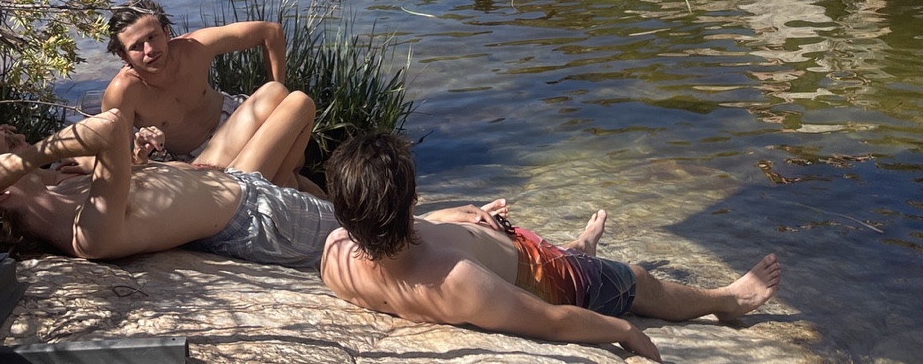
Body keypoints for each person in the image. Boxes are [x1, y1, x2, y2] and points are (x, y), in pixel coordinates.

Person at [320, 131, 781, 362]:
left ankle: (580, 246)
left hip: (517, 252)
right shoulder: (454, 280)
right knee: (637, 278)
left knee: (539, 242)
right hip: (546, 278)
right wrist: (624, 332)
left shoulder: (336, 254)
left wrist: (455, 217)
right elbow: (552, 320)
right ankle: (727, 301)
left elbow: (392, 231)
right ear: (408, 200)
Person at [0, 97, 335, 265]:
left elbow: (114, 147)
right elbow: (111, 123)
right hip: (259, 219)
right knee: (380, 233)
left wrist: (140, 158)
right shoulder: (87, 237)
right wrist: (26, 159)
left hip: (244, 189)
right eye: (2, 161)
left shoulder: (63, 190)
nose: (17, 153)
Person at [101, 0, 287, 161]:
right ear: (123, 55)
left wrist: (280, 91)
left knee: (293, 156)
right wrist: (141, 152)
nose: (149, 50)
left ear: (166, 33)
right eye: (137, 47)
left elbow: (271, 32)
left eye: (152, 37)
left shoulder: (194, 47)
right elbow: (120, 160)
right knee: (288, 178)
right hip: (201, 157)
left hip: (237, 116)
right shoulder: (123, 92)